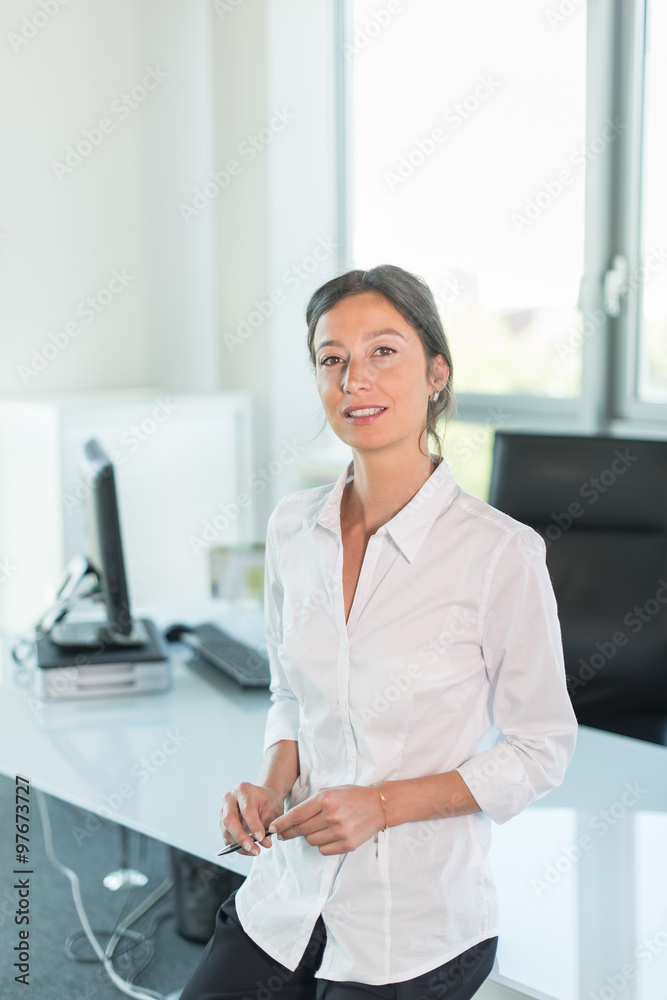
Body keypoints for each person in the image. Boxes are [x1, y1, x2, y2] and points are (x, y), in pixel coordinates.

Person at [179, 264, 579, 1000]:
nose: (353, 378)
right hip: (287, 901)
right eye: (331, 359)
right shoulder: (291, 529)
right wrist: (269, 787)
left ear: (436, 373)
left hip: (415, 928)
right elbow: (289, 695)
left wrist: (383, 804)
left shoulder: (499, 554)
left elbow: (539, 750)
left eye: (382, 352)